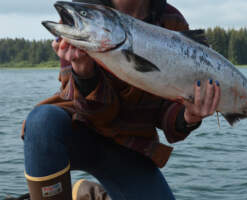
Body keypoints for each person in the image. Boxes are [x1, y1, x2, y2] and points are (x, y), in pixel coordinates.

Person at [21, 0, 221, 199]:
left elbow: (167, 115)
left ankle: (89, 195)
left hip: (131, 145)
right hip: (79, 128)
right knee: (42, 122)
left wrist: (189, 116)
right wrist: (83, 71)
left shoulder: (172, 21)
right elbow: (92, 112)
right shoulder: (82, 18)